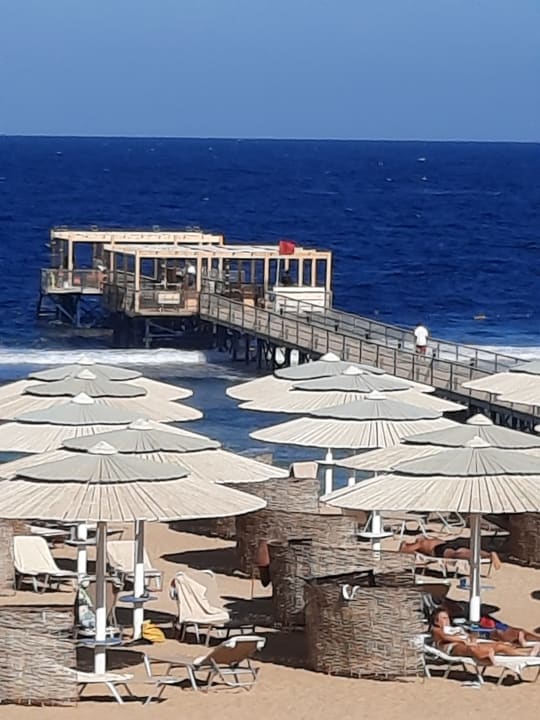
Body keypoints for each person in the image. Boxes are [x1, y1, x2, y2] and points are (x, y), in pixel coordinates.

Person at [430, 609, 539, 662]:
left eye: (447, 618)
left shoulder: (454, 627)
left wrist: (472, 637)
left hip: (467, 642)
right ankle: (485, 657)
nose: (447, 620)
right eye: (443, 618)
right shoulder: (436, 629)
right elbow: (446, 637)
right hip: (452, 647)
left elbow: (469, 635)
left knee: (500, 645)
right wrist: (463, 640)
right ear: (436, 621)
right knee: (471, 649)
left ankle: (527, 654)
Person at [399, 537, 502, 571]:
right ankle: (487, 555)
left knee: (455, 555)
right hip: (448, 543)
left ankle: (488, 555)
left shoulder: (421, 543)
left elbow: (404, 550)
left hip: (439, 549)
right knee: (464, 551)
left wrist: (404, 546)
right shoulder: (433, 540)